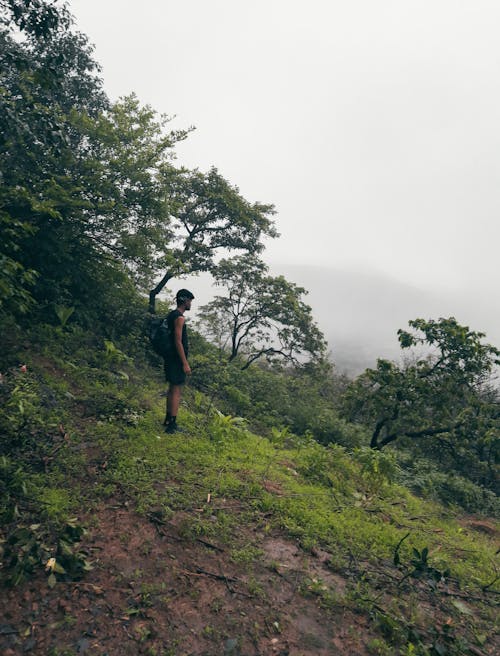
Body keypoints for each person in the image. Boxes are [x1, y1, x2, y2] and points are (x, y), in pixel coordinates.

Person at [163, 289, 195, 434]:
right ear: (184, 300)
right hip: (176, 359)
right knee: (176, 390)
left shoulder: (172, 315)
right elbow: (178, 341)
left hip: (169, 356)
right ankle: (172, 425)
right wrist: (185, 363)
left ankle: (168, 419)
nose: (190, 304)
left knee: (171, 388)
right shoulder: (180, 318)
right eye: (189, 301)